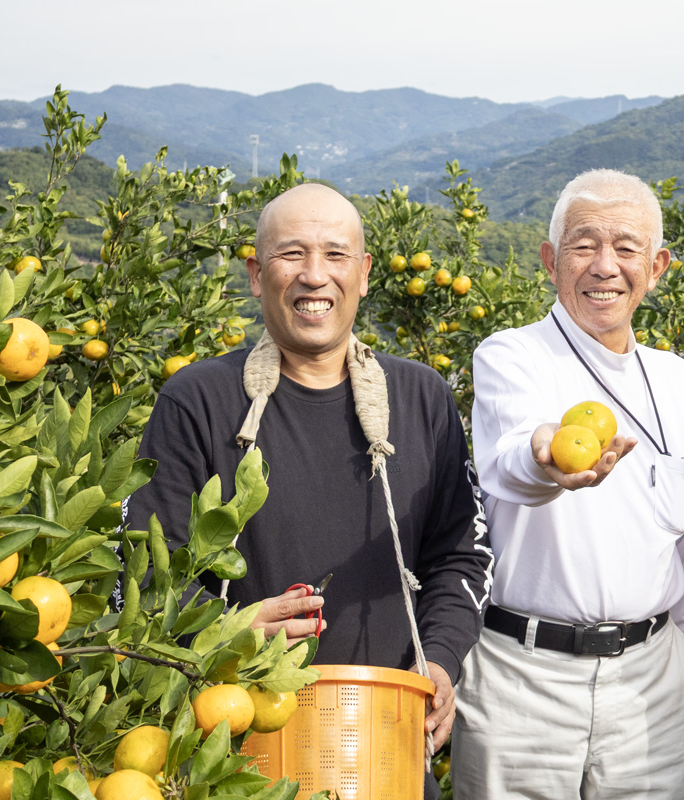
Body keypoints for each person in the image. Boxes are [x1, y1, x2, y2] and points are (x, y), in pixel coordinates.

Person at [126, 184, 492, 792]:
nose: (315, 275)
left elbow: (462, 555)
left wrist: (441, 659)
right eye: (292, 254)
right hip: (237, 756)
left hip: (387, 745)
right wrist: (228, 631)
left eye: (335, 254)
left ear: (365, 274)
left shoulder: (421, 397)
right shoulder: (198, 400)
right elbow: (143, 573)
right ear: (256, 274)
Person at [451, 169, 684, 798]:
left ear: (656, 268)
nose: (605, 266)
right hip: (522, 678)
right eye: (584, 246)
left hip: (653, 682)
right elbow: (511, 460)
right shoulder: (512, 355)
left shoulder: (681, 383)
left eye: (627, 248)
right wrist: (548, 464)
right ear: (551, 261)